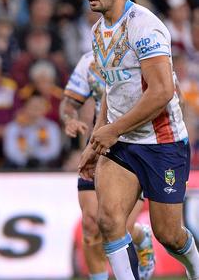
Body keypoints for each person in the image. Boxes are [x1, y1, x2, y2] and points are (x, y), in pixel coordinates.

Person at [79, 0, 199, 280]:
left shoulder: (144, 26)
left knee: (169, 235)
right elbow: (111, 90)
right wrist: (98, 137)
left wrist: (111, 130)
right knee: (108, 220)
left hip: (162, 143)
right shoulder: (97, 32)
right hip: (122, 145)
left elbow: (161, 93)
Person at [61, 50, 155, 280]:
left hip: (134, 149)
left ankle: (140, 235)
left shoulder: (147, 55)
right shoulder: (89, 61)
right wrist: (69, 118)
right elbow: (68, 103)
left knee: (116, 226)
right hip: (98, 148)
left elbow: (169, 96)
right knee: (92, 226)